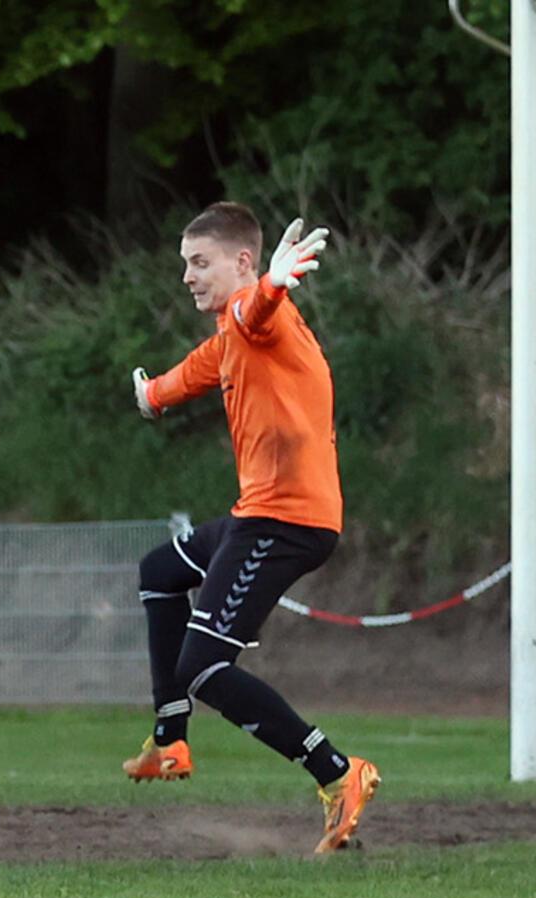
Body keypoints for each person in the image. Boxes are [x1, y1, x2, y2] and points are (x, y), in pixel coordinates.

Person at [124, 201, 380, 855]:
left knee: (205, 666)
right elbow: (193, 372)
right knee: (160, 572)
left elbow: (255, 308)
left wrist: (271, 284)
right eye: (184, 264)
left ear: (242, 262)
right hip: (259, 515)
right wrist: (151, 395)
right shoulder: (231, 338)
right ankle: (169, 739)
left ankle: (337, 771)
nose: (187, 276)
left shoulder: (260, 318)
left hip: (283, 520)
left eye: (199, 262)